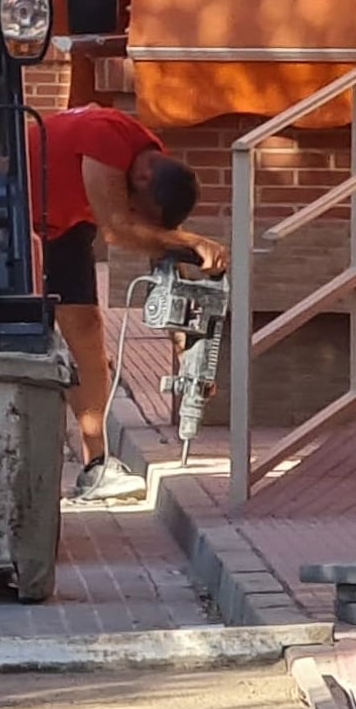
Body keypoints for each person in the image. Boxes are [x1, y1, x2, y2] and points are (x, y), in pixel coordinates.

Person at [31, 102, 227, 503]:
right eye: (140, 208)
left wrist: (183, 336)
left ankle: (96, 466)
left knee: (86, 332)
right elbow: (120, 229)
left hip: (64, 226)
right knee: (25, 336)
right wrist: (193, 241)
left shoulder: (148, 155)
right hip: (14, 220)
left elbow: (150, 237)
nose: (137, 212)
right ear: (142, 176)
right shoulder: (104, 136)